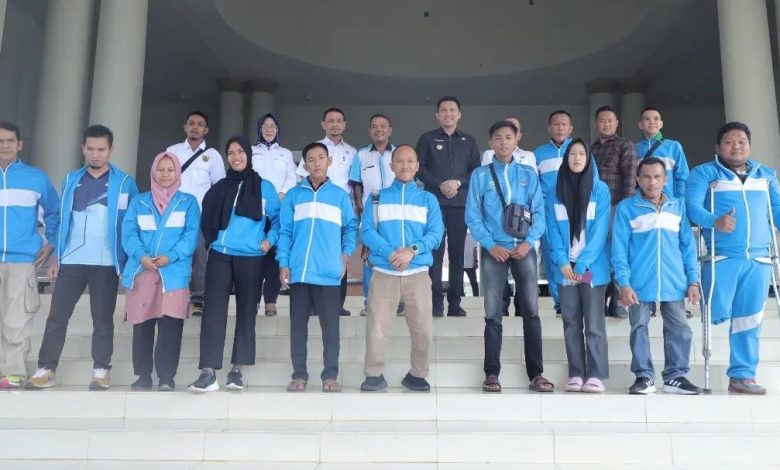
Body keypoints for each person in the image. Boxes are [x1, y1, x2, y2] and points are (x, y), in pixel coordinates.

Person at [28, 125, 138, 390]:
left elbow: (132, 223)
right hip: (72, 260)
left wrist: (128, 262)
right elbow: (62, 219)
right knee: (57, 316)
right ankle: (46, 368)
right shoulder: (71, 179)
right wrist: (57, 253)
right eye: (90, 149)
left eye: (101, 149)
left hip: (106, 262)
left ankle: (101, 370)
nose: (95, 154)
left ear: (111, 150)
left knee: (102, 319)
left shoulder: (125, 182)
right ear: (83, 149)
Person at [687, 122, 780, 395]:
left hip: (758, 259)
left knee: (748, 319)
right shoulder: (705, 174)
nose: (736, 147)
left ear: (749, 146)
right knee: (717, 312)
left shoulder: (766, 176)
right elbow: (692, 207)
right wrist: (714, 221)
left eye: (741, 142)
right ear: (718, 147)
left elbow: (776, 211)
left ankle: (742, 376)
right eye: (729, 142)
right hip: (721, 258)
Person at [188, 136, 280, 393]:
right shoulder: (219, 187)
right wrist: (212, 241)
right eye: (231, 152)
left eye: (240, 151)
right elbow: (206, 216)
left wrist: (269, 241)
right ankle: (208, 372)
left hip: (251, 257)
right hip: (220, 254)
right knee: (212, 313)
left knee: (247, 312)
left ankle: (237, 370)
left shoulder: (265, 188)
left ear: (248, 155)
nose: (236, 156)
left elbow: (278, 220)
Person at [466, 120, 550, 393]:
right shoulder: (480, 175)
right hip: (494, 251)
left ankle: (536, 375)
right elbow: (473, 215)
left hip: (524, 249)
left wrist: (529, 242)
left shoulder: (528, 173)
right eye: (498, 138)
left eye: (509, 137)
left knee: (531, 312)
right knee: (493, 313)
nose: (504, 142)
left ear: (517, 141)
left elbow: (540, 212)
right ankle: (492, 373)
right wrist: (490, 245)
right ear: (490, 143)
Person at [612, 157, 702, 395]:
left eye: (657, 177)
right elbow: (619, 249)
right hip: (638, 282)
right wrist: (624, 283)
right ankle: (644, 376)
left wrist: (693, 280)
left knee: (680, 328)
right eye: (646, 177)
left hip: (674, 281)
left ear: (665, 179)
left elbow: (688, 247)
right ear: (638, 179)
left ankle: (675, 377)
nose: (652, 182)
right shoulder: (627, 208)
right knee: (638, 327)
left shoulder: (677, 207)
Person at [360, 145, 444, 392]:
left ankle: (417, 375)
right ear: (391, 165)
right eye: (399, 161)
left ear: (417, 166)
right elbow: (367, 231)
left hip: (417, 274)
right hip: (384, 273)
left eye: (410, 161)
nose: (405, 165)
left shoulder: (428, 199)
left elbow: (436, 233)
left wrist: (412, 251)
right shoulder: (376, 197)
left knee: (423, 330)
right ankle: (373, 375)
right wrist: (390, 253)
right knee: (377, 328)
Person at [280, 142, 358, 393]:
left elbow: (350, 228)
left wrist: (345, 255)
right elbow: (285, 232)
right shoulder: (294, 196)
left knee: (331, 328)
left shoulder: (339, 196)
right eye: (311, 159)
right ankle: (299, 375)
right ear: (304, 165)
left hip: (329, 272)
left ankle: (330, 375)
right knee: (297, 327)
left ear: (329, 161)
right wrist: (283, 263)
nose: (316, 163)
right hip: (300, 271)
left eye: (321, 158)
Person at [122, 152, 200, 391]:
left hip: (173, 274)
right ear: (153, 171)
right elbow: (128, 234)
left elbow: (190, 237)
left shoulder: (188, 202)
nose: (165, 174)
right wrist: (141, 256)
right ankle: (143, 376)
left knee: (170, 327)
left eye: (170, 170)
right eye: (160, 169)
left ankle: (166, 377)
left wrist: (170, 257)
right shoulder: (139, 202)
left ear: (178, 173)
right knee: (142, 326)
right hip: (142, 271)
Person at [546, 138, 611, 393]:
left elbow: (600, 232)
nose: (577, 158)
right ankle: (575, 373)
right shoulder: (555, 191)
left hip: (591, 268)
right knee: (571, 323)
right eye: (572, 153)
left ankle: (595, 374)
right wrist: (563, 261)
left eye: (582, 153)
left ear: (588, 158)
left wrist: (582, 263)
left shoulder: (600, 190)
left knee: (594, 324)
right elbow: (552, 230)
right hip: (565, 269)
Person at [0, 122, 59, 389]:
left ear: (19, 144)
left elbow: (54, 212)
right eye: (0, 141)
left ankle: (13, 373)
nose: (5, 145)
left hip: (22, 261)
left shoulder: (36, 178)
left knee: (17, 320)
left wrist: (52, 243)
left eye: (10, 140)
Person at [416, 96, 480, 317]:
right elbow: (419, 168)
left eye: (452, 110)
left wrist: (457, 183)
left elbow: (476, 171)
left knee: (457, 254)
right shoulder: (427, 139)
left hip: (460, 204)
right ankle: (435, 303)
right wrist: (440, 185)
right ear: (437, 115)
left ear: (459, 114)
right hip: (434, 203)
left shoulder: (469, 141)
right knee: (434, 253)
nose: (448, 113)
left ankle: (455, 302)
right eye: (444, 110)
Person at [296, 108, 357, 316]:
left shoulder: (352, 152)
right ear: (323, 124)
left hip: (340, 208)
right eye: (330, 121)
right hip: (315, 206)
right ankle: (314, 304)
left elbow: (355, 183)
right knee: (315, 253)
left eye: (339, 120)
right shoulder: (314, 149)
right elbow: (300, 178)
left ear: (344, 124)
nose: (335, 124)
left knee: (340, 254)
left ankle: (337, 304)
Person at [166, 111, 226, 316]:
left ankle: (198, 298)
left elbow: (219, 188)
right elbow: (162, 181)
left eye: (200, 124)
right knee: (173, 255)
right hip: (173, 214)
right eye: (191, 123)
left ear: (206, 130)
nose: (195, 127)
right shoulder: (172, 151)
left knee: (200, 258)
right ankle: (173, 295)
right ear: (185, 127)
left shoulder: (213, 155)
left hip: (200, 216)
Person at [348, 114, 400, 316]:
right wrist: (360, 205)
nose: (379, 129)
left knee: (395, 252)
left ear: (390, 130)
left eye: (383, 126)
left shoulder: (397, 153)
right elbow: (356, 183)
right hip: (370, 210)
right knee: (370, 254)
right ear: (370, 131)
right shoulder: (361, 154)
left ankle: (398, 302)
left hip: (395, 210)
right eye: (375, 127)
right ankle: (369, 302)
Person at [590, 105, 638, 318]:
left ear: (617, 123)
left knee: (619, 251)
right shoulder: (590, 149)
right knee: (596, 253)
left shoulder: (624, 145)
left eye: (610, 120)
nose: (606, 124)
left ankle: (619, 301)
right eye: (602, 120)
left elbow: (630, 176)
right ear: (596, 124)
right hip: (593, 209)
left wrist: (625, 208)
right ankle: (597, 301)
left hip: (616, 206)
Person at [251, 113, 296, 317]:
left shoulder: (285, 153)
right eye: (265, 126)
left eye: (273, 126)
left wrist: (281, 194)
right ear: (259, 129)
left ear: (278, 130)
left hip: (278, 210)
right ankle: (252, 301)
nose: (269, 129)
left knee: (274, 257)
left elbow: (292, 178)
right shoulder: (251, 151)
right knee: (254, 257)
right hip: (255, 210)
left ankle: (270, 300)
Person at [534, 110, 575, 315]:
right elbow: (534, 186)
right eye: (556, 124)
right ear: (549, 128)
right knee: (552, 258)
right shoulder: (539, 154)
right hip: (548, 214)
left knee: (575, 255)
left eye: (564, 124)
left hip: (574, 214)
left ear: (570, 129)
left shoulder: (578, 151)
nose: (560, 128)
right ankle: (560, 302)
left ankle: (578, 297)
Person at [635, 107, 689, 199]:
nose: (652, 122)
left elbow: (682, 177)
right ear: (640, 125)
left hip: (669, 201)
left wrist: (680, 200)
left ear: (661, 124)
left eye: (656, 119)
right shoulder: (634, 148)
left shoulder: (674, 146)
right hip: (641, 202)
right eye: (647, 119)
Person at [463, 232, 479, 296]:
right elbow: (475, 250)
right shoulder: (472, 236)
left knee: (473, 282)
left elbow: (474, 250)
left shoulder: (471, 236)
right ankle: (475, 296)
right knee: (473, 282)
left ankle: (476, 296)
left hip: (469, 263)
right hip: (465, 263)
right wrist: (475, 261)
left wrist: (475, 261)